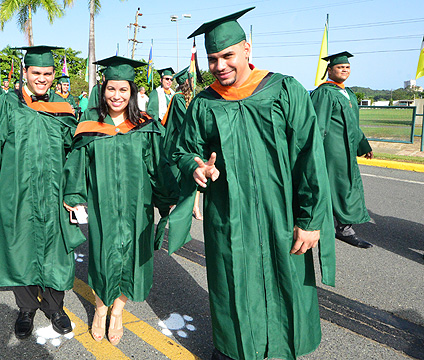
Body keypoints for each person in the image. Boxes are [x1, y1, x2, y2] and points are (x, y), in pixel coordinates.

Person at [168, 8, 336, 360]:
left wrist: (310, 220)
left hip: (282, 212)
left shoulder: (285, 90)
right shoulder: (203, 103)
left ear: (247, 49)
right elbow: (184, 151)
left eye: (227, 55)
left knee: (285, 282)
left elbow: (310, 158)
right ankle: (230, 351)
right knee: (232, 284)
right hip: (229, 215)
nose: (219, 65)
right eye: (213, 59)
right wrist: (196, 168)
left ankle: (281, 350)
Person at [0, 45, 82, 340]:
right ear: (25, 73)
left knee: (56, 253)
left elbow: (79, 152)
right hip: (16, 194)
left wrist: (76, 192)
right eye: (36, 73)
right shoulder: (7, 104)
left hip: (54, 196)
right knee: (19, 250)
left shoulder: (64, 108)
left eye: (47, 73)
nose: (42, 78)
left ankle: (56, 308)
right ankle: (26, 309)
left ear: (54, 75)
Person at [63, 56, 179, 345]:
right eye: (111, 89)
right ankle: (100, 308)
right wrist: (74, 194)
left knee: (134, 259)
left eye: (123, 90)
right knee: (103, 257)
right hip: (103, 207)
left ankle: (117, 311)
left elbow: (158, 166)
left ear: (132, 92)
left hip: (137, 208)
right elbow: (78, 162)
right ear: (103, 90)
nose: (116, 96)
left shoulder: (145, 126)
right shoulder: (91, 125)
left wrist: (167, 199)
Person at [311, 51, 373, 249]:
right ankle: (339, 229)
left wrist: (364, 145)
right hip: (331, 151)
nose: (344, 70)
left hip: (347, 150)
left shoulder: (349, 93)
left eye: (347, 67)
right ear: (329, 70)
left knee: (345, 186)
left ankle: (341, 227)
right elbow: (317, 125)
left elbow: (354, 124)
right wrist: (315, 152)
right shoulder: (325, 92)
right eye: (340, 67)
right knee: (334, 187)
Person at [161, 66, 204, 220]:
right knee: (173, 182)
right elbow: (183, 121)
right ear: (187, 81)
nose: (193, 82)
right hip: (174, 145)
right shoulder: (179, 98)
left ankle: (193, 207)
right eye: (191, 79)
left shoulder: (184, 98)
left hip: (181, 142)